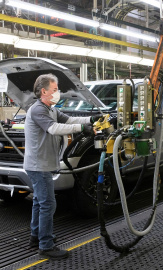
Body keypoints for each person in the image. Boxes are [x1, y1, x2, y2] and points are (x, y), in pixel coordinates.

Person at [23, 73, 99, 260]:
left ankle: (36, 236)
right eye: (55, 89)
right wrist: (83, 130)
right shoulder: (38, 109)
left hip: (42, 164)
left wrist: (90, 120)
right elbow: (54, 128)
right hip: (38, 165)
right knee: (48, 203)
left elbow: (69, 120)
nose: (58, 92)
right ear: (44, 91)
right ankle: (46, 245)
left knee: (39, 202)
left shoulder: (50, 109)